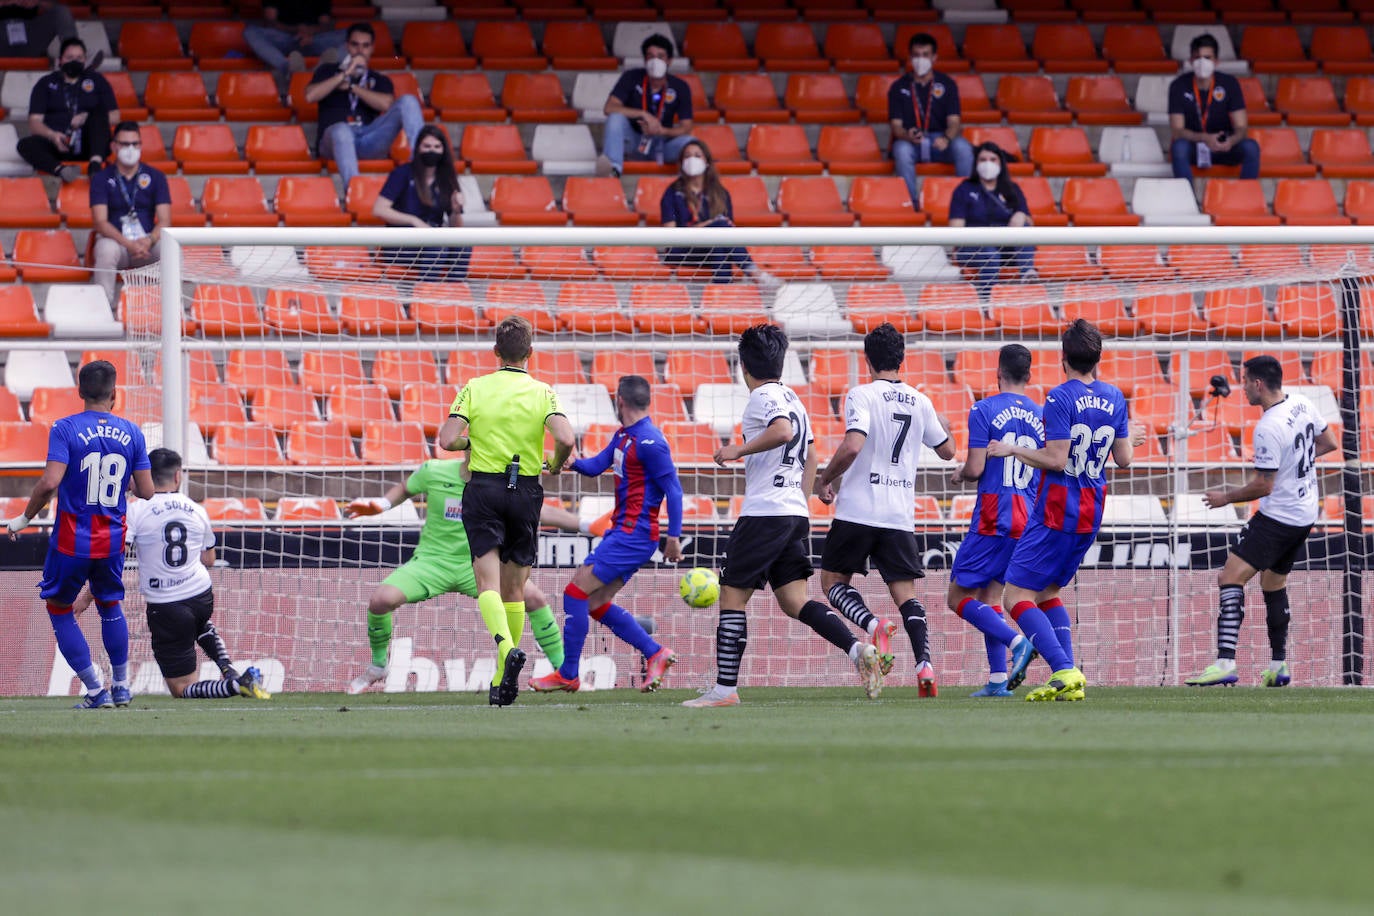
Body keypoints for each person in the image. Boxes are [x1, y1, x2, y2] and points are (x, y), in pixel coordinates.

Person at [684, 324, 881, 708]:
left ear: (743, 366)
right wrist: (800, 500)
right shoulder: (794, 396)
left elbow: (782, 431)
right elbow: (809, 453)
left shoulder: (764, 397)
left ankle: (724, 690)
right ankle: (858, 650)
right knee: (794, 601)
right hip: (792, 511)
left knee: (731, 595)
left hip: (765, 513)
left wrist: (736, 451)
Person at [987, 320, 1145, 702]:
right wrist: (1132, 437)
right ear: (1097, 358)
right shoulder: (1115, 396)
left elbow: (1056, 460)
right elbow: (1123, 459)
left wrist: (1012, 449)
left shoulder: (1059, 398)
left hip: (1057, 510)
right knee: (1048, 592)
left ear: (1063, 359)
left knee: (1014, 596)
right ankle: (1069, 679)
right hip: (1091, 511)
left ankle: (1063, 668)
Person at [437, 317, 576, 706]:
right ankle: (502, 680)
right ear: (531, 353)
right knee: (516, 588)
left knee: (488, 586)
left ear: (495, 353)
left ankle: (504, 652)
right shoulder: (542, 392)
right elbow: (566, 437)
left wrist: (473, 438)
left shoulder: (475, 387)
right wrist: (556, 462)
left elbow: (447, 440)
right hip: (526, 489)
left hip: (484, 488)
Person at [813, 323, 957, 697]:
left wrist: (824, 478)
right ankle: (924, 665)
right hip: (898, 513)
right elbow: (948, 451)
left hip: (859, 509)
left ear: (868, 359)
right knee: (906, 594)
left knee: (832, 584)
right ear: (902, 359)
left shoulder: (861, 394)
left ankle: (874, 624)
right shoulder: (920, 400)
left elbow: (852, 446)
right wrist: (945, 426)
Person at [343, 460, 571, 695]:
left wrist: (584, 523)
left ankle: (564, 672)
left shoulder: (502, 480)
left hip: (481, 564)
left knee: (534, 598)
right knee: (381, 600)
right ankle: (378, 666)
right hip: (432, 563)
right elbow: (405, 488)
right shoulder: (434, 471)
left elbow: (538, 510)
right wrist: (381, 504)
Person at [3, 360, 153, 709]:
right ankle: (121, 686)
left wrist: (25, 519)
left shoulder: (65, 428)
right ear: (115, 393)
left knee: (59, 608)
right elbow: (146, 491)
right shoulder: (133, 432)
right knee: (110, 604)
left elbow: (50, 482)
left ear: (81, 392)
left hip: (72, 540)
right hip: (112, 540)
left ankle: (95, 691)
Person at [1186, 356, 1337, 687]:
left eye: (1244, 381)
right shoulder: (1301, 402)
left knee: (1230, 576)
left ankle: (1225, 661)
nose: (1241, 388)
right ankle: (1278, 665)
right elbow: (1329, 443)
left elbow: (1263, 485)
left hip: (1278, 516)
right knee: (1273, 584)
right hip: (1305, 512)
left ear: (1257, 384)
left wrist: (1224, 498)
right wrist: (1296, 463)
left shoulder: (1268, 427)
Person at [530, 375, 682, 694]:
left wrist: (674, 537)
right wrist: (567, 462)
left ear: (620, 401)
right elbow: (596, 466)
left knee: (574, 593)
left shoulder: (651, 441)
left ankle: (568, 673)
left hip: (634, 535)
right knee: (595, 602)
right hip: (625, 533)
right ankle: (655, 652)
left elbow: (675, 491)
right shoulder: (624, 436)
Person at [106, 448, 270, 701]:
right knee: (197, 622)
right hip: (201, 595)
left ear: (146, 475)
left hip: (166, 605)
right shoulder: (196, 509)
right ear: (177, 476)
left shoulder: (136, 510)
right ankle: (227, 667)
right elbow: (209, 559)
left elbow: (119, 552)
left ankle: (237, 685)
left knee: (181, 688)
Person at [946, 344, 1041, 698]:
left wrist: (960, 474)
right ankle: (999, 679)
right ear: (1029, 377)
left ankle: (1016, 641)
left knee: (956, 597)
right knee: (990, 596)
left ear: (997, 373)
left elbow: (975, 468)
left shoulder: (983, 409)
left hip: (993, 517)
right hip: (1027, 519)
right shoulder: (1041, 413)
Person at [305, 21, 423, 194]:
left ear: (372, 48)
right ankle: (355, 193)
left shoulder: (379, 79)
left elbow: (386, 104)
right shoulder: (328, 70)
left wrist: (353, 87)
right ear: (347, 46)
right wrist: (344, 75)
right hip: (334, 139)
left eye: (365, 46)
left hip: (369, 138)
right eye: (355, 45)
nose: (360, 51)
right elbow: (310, 96)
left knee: (408, 101)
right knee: (341, 130)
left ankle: (421, 166)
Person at [659, 140, 775, 287]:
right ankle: (753, 273)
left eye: (697, 155)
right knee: (719, 229)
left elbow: (729, 232)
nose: (691, 160)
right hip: (682, 251)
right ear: (681, 163)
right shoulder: (672, 192)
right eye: (687, 156)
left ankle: (722, 295)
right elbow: (670, 237)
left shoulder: (720, 193)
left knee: (719, 243)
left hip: (710, 250)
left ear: (707, 162)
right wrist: (707, 226)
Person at [888, 31, 973, 210]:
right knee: (901, 150)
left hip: (939, 141)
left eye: (925, 55)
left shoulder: (947, 84)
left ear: (934, 57)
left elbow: (955, 122)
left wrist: (947, 138)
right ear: (910, 58)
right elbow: (896, 127)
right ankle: (910, 204)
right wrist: (907, 134)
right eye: (917, 55)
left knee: (963, 147)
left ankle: (966, 201)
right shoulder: (898, 87)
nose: (921, 60)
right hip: (912, 143)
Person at [372, 124, 468, 281]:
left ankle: (454, 294)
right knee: (438, 246)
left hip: (433, 241)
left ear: (444, 150)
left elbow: (455, 227)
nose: (432, 150)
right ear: (418, 148)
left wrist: (456, 210)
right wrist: (413, 221)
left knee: (463, 246)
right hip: (401, 244)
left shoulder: (447, 178)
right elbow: (379, 209)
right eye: (427, 146)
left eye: (437, 146)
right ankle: (425, 297)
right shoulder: (402, 173)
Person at [90, 120, 170, 304]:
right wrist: (128, 244)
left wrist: (149, 241)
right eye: (125, 144)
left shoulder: (156, 177)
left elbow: (165, 220)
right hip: (117, 244)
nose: (130, 149)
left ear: (141, 145)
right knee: (106, 250)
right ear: (114, 146)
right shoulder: (101, 178)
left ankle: (172, 309)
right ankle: (103, 309)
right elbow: (100, 222)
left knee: (170, 248)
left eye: (135, 144)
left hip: (148, 244)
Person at [16, 36, 117, 183]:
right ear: (60, 60)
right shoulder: (45, 83)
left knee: (98, 112)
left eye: (79, 57)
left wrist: (85, 117)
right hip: (59, 143)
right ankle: (61, 170)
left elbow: (115, 115)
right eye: (70, 57)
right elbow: (34, 122)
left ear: (85, 60)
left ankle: (95, 166)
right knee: (25, 144)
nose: (75, 61)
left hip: (90, 144)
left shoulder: (97, 80)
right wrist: (52, 135)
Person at [597, 33, 694, 179]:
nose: (655, 61)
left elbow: (686, 127)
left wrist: (662, 130)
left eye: (660, 57)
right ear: (644, 59)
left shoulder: (680, 87)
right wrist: (643, 113)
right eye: (650, 56)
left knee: (690, 143)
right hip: (633, 141)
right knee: (615, 118)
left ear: (669, 61)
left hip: (662, 145)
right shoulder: (631, 77)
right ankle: (613, 172)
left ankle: (688, 184)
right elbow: (609, 108)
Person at [948, 142, 1036, 299]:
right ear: (976, 163)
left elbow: (1029, 221)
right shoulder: (964, 189)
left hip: (1006, 247)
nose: (987, 163)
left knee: (1025, 228)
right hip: (973, 248)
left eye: (992, 159)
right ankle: (990, 300)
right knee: (989, 251)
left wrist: (1021, 215)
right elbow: (956, 229)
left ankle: (1028, 278)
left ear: (1000, 162)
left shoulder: (1012, 189)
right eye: (983, 159)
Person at [1168, 33, 1260, 180]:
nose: (1202, 62)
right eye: (1197, 58)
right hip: (1196, 147)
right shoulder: (1178, 86)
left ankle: (1245, 197)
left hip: (1224, 147)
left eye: (1207, 57)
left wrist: (1231, 141)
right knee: (1179, 148)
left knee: (1251, 147)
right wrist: (1205, 138)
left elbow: (1242, 128)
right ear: (1191, 61)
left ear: (1216, 61)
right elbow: (1177, 131)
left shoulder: (1230, 84)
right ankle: (1188, 200)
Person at [243, 1, 345, 94]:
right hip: (285, 38)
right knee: (250, 31)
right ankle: (288, 68)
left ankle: (321, 70)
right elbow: (270, 22)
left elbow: (325, 25)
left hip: (314, 39)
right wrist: (296, 30)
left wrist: (309, 32)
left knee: (351, 34)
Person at [0, 1, 76, 59]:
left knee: (61, 11)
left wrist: (38, 2)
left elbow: (53, 5)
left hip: (31, 33)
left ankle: (74, 56)